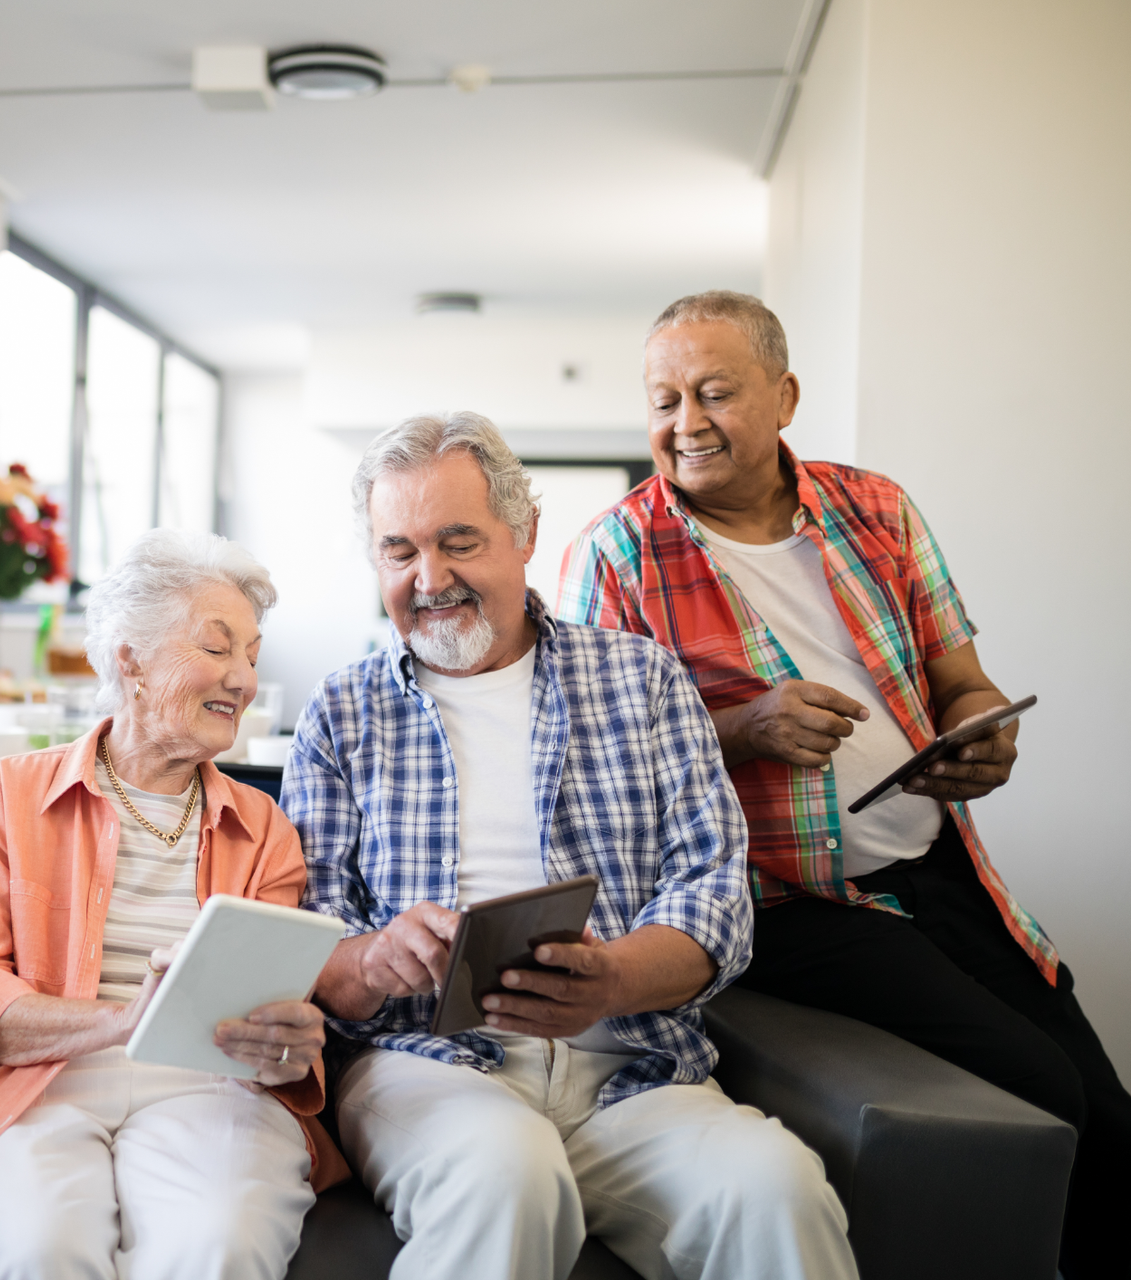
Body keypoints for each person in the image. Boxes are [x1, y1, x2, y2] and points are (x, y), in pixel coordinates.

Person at [557, 290, 1128, 1276]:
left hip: (942, 864)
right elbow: (592, 769)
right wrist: (745, 726)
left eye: (714, 392)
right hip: (791, 904)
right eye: (662, 399)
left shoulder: (877, 506)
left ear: (784, 395)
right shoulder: (614, 553)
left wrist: (976, 734)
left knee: (1108, 1117)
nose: (684, 423)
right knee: (1040, 1085)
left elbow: (960, 676)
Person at [286, 412, 855, 1280]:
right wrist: (374, 959)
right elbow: (303, 937)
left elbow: (714, 898)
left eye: (458, 542)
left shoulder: (643, 678)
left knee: (777, 1188)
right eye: (398, 552)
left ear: (525, 536)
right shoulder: (342, 711)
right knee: (505, 1173)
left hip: (634, 1071)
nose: (428, 578)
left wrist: (612, 980)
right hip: (425, 1069)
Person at [0, 529, 341, 1280]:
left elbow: (274, 1032)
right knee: (37, 1248)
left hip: (213, 1090)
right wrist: (121, 1022)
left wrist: (287, 1046)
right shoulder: (9, 793)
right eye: (217, 648)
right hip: (39, 1083)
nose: (242, 678)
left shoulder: (266, 827)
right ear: (131, 662)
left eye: (251, 652)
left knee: (218, 1244)